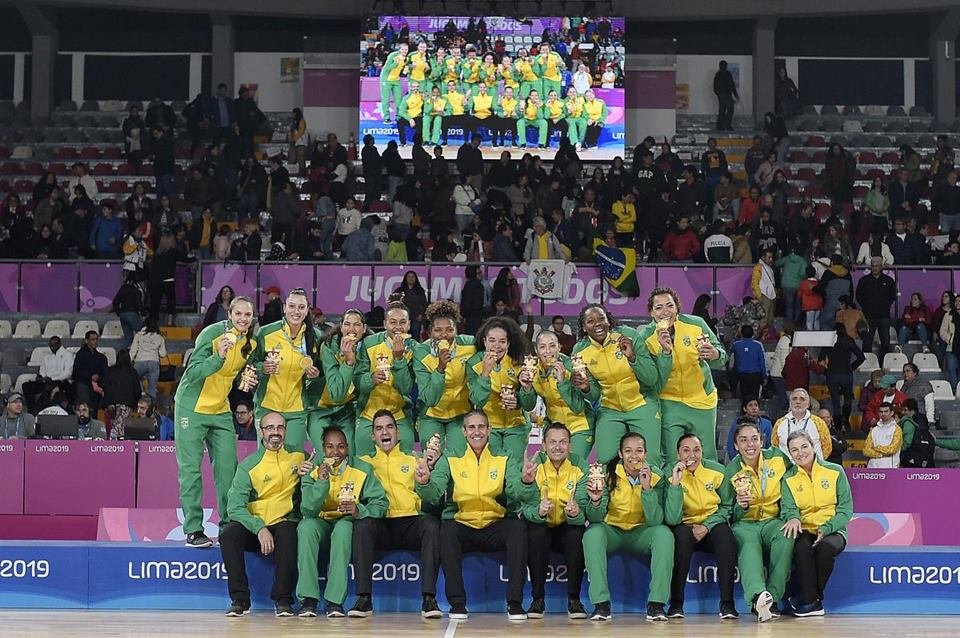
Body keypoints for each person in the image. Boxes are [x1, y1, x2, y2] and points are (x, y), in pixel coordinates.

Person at [414, 410, 538, 621]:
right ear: (463, 431)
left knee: (517, 529)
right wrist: (425, 481)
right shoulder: (451, 458)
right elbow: (434, 493)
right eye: (471, 427)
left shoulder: (503, 457)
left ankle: (515, 603)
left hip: (494, 523)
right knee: (447, 529)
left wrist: (526, 481)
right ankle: (457, 603)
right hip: (463, 523)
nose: (477, 432)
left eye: (481, 427)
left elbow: (517, 490)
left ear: (489, 430)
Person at [175, 296, 258, 549]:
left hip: (221, 409)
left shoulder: (250, 343)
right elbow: (193, 372)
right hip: (191, 407)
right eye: (238, 314)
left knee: (228, 470)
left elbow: (247, 370)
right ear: (229, 314)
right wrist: (218, 357)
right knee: (190, 471)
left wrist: (251, 374)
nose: (243, 319)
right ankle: (193, 530)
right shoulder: (212, 333)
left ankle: (229, 525)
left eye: (248, 315)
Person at [351, 410, 442, 618]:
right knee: (362, 525)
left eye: (389, 427)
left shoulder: (414, 460)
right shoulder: (363, 463)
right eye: (379, 428)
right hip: (380, 524)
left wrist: (429, 472)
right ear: (373, 436)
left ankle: (429, 599)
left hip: (410, 522)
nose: (385, 432)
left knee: (431, 524)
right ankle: (364, 598)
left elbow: (433, 498)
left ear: (398, 433)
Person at [221, 412, 308, 617]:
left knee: (288, 532)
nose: (275, 432)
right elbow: (234, 507)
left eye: (280, 428)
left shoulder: (300, 457)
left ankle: (283, 600)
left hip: (284, 521)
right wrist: (259, 527)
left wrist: (309, 475)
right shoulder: (248, 466)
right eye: (270, 428)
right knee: (228, 534)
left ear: (285, 431)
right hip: (256, 526)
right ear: (261, 432)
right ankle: (240, 600)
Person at [296, 426, 387, 618]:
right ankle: (309, 600)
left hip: (344, 522)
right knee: (305, 527)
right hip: (319, 523)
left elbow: (380, 503)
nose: (335, 452)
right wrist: (321, 481)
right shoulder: (312, 470)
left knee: (344, 529)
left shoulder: (362, 468)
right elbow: (308, 509)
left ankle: (334, 601)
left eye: (341, 447)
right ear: (323, 448)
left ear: (348, 448)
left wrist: (359, 510)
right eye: (330, 447)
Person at [582, 432, 673, 622]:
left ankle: (656, 604)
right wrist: (596, 501)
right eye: (628, 451)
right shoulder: (607, 473)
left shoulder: (656, 476)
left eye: (639, 451)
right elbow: (595, 518)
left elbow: (656, 520)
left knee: (664, 534)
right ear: (620, 453)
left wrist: (647, 489)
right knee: (592, 533)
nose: (634, 456)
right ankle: (601, 604)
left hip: (641, 532)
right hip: (612, 530)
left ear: (646, 454)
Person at [639, 288, 726, 461]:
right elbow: (651, 379)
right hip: (669, 403)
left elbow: (722, 356)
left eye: (670, 305)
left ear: (677, 308)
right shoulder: (645, 338)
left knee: (706, 456)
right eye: (659, 307)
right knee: (673, 456)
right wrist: (665, 352)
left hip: (702, 400)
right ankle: (675, 488)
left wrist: (716, 354)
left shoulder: (697, 324)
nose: (665, 312)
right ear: (651, 313)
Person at [571, 304, 663, 466]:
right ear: (584, 327)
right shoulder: (580, 351)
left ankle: (649, 490)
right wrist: (585, 387)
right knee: (605, 461)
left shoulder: (628, 335)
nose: (597, 324)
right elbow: (594, 395)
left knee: (650, 460)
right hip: (610, 409)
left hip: (641, 404)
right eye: (590, 321)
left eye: (601, 319)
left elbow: (652, 378)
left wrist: (633, 357)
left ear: (609, 321)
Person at [664, 433, 739, 619]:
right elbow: (672, 518)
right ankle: (676, 604)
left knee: (725, 535)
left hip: (711, 525)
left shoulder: (718, 471)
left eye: (696, 450)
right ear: (678, 454)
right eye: (686, 450)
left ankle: (727, 604)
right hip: (684, 526)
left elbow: (727, 506)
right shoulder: (669, 474)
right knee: (681, 536)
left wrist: (706, 525)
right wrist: (675, 483)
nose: (692, 455)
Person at [725, 421, 793, 622]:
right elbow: (729, 511)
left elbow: (791, 486)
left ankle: (770, 598)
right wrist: (741, 506)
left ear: (762, 440)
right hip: (745, 523)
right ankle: (756, 597)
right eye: (743, 440)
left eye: (754, 439)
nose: (750, 445)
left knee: (786, 536)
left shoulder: (778, 459)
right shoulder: (730, 471)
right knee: (748, 546)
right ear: (736, 445)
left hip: (773, 520)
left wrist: (791, 515)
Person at [781, 430, 853, 617]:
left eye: (804, 446)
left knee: (825, 549)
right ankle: (813, 602)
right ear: (790, 453)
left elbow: (846, 509)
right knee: (802, 549)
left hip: (833, 528)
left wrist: (827, 528)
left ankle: (809, 599)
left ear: (813, 447)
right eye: (794, 449)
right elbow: (788, 508)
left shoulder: (835, 471)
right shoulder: (788, 478)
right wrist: (793, 518)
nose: (800, 453)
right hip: (803, 528)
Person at [521, 422, 588, 619]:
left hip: (568, 524)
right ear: (543, 445)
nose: (558, 447)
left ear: (570, 445)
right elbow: (524, 505)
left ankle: (574, 600)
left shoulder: (580, 465)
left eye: (563, 442)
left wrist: (576, 512)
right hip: (542, 523)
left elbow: (584, 506)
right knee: (536, 533)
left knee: (577, 535)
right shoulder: (535, 465)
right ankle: (537, 600)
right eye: (552, 442)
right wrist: (539, 512)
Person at [252, 288, 323, 451]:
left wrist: (315, 376)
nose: (295, 311)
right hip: (267, 405)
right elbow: (250, 365)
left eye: (301, 307)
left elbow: (321, 372)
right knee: (266, 459)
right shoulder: (266, 332)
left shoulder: (316, 337)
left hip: (296, 410)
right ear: (284, 308)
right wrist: (261, 367)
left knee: (293, 461)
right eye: (291, 306)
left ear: (307, 310)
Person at [412, 301, 477, 457]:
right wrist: (440, 368)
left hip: (461, 415)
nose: (444, 335)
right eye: (438, 330)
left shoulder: (470, 345)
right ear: (429, 332)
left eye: (449, 329)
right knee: (432, 461)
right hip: (431, 415)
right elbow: (429, 398)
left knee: (460, 459)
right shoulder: (421, 352)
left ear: (456, 330)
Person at [354, 296, 416, 458]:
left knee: (406, 457)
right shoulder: (369, 343)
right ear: (384, 324)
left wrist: (399, 358)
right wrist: (370, 379)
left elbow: (406, 388)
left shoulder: (415, 348)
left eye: (403, 322)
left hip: (398, 413)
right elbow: (357, 381)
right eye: (393, 322)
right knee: (363, 462)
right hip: (369, 412)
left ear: (409, 324)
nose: (398, 327)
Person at [466, 316, 532, 462]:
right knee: (492, 472)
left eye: (502, 341)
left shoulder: (520, 362)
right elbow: (477, 400)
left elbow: (530, 404)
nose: (497, 346)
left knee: (513, 471)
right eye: (492, 340)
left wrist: (520, 399)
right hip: (489, 427)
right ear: (484, 342)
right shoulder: (474, 363)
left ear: (508, 344)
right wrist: (485, 373)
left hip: (517, 425)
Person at [519, 331, 593, 458]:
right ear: (536, 350)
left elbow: (578, 407)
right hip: (554, 426)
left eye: (552, 346)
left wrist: (563, 382)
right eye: (542, 347)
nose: (548, 351)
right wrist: (526, 388)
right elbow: (528, 406)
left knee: (573, 466)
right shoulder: (532, 370)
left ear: (559, 347)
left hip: (580, 425)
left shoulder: (572, 367)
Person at [308, 308, 366, 452]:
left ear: (364, 329)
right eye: (347, 324)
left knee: (351, 454)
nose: (351, 329)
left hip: (346, 410)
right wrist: (349, 362)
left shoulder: (368, 348)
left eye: (357, 325)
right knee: (325, 455)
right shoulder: (328, 346)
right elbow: (337, 393)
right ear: (341, 327)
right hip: (319, 409)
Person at [819, 323, 866, 431]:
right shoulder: (849, 340)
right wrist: (851, 367)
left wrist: (826, 371)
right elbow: (861, 357)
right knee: (848, 399)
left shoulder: (829, 341)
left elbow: (821, 359)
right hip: (846, 374)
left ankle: (838, 428)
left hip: (832, 374)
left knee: (835, 402)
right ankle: (846, 419)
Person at [772, 388, 833, 461]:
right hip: (787, 470)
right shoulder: (779, 423)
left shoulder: (819, 423)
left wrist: (816, 463)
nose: (798, 402)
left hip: (813, 469)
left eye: (802, 399)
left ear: (808, 404)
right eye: (794, 399)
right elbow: (774, 446)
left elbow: (827, 447)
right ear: (790, 402)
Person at [22, 336, 74, 413]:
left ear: (59, 343)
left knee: (51, 387)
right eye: (51, 345)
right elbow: (42, 371)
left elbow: (68, 374)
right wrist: (41, 378)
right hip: (46, 381)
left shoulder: (68, 355)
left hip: (61, 382)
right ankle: (32, 411)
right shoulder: (47, 357)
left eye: (54, 344)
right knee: (26, 386)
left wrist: (52, 378)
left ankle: (40, 409)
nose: (52, 347)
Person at [72, 330, 108, 416]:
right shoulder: (80, 354)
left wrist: (97, 377)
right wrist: (90, 377)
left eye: (96, 339)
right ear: (86, 340)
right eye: (92, 339)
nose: (95, 341)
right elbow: (76, 372)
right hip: (84, 384)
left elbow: (104, 372)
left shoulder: (101, 357)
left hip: (97, 386)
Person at [129, 317, 167, 399]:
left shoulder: (138, 335)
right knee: (152, 390)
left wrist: (129, 362)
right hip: (154, 363)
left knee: (135, 379)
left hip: (140, 362)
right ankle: (150, 408)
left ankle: (141, 393)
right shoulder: (159, 337)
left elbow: (133, 351)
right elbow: (163, 354)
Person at [731, 325, 766, 400]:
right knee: (754, 398)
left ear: (741, 333)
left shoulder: (736, 345)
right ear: (753, 333)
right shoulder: (758, 345)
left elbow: (730, 356)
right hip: (756, 376)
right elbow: (762, 362)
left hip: (742, 376)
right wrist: (764, 376)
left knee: (744, 398)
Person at [863, 404, 903, 468]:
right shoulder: (874, 430)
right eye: (881, 412)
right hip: (872, 468)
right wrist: (881, 454)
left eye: (886, 411)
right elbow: (866, 450)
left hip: (889, 468)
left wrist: (876, 448)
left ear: (892, 413)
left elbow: (892, 449)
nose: (883, 414)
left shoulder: (897, 429)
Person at [379, 43, 408, 124]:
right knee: (386, 99)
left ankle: (398, 116)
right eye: (403, 49)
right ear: (399, 49)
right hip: (386, 79)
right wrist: (396, 63)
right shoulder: (393, 55)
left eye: (406, 49)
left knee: (399, 99)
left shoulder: (406, 58)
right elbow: (387, 67)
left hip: (396, 80)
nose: (404, 51)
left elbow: (404, 70)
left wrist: (407, 69)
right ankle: (386, 118)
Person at [713, 60, 738, 131]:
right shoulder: (727, 74)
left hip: (722, 95)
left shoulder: (718, 75)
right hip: (725, 94)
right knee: (729, 109)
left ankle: (720, 126)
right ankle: (727, 125)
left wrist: (718, 94)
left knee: (722, 110)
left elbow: (715, 87)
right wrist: (735, 95)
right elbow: (732, 85)